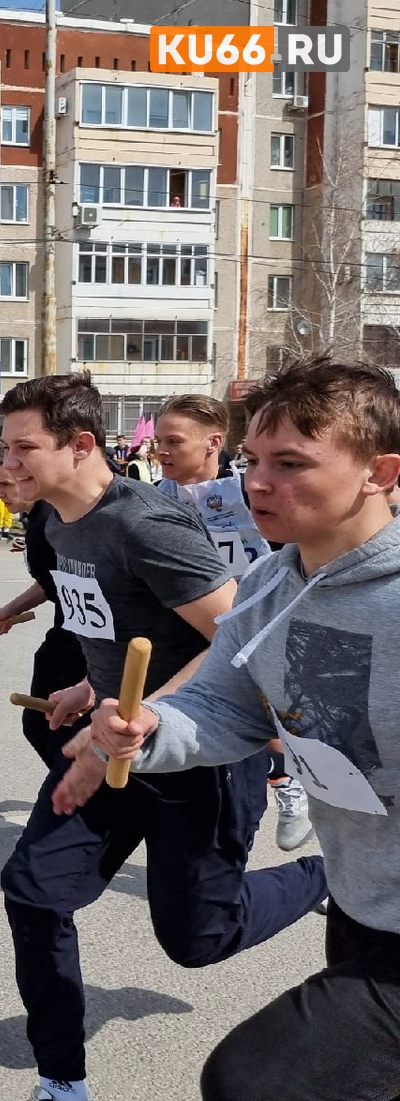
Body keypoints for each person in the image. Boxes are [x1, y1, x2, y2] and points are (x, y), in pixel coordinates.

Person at [0, 372, 327, 1101]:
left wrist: (146, 714)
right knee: (34, 891)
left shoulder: (142, 523)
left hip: (199, 753)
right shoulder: (54, 523)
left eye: (23, 448)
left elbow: (242, 635)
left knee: (198, 937)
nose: (5, 463)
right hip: (113, 740)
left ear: (80, 445)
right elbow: (109, 622)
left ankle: (323, 877)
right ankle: (62, 1079)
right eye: (4, 446)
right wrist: (89, 684)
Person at [85, 355, 400, 1101]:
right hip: (363, 897)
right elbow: (227, 706)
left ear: (380, 471)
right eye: (252, 459)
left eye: (291, 463)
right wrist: (150, 725)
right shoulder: (265, 585)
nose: (258, 481)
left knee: (251, 1080)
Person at [154, 392, 312, 851]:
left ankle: (289, 782)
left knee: (265, 707)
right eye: (158, 440)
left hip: (259, 616)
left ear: (213, 443)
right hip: (192, 624)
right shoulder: (150, 498)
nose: (160, 451)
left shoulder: (247, 488)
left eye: (173, 441)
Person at [0, 445, 88, 765]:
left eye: (5, 484)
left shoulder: (55, 521)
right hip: (66, 636)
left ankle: (78, 802)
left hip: (84, 644)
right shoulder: (40, 520)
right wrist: (9, 610)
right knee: (38, 726)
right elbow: (55, 583)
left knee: (59, 734)